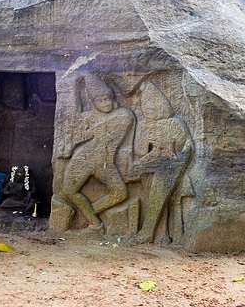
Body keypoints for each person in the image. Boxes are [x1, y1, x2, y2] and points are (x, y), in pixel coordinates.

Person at [58, 74, 134, 234]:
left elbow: (113, 126)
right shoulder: (88, 117)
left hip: (105, 162)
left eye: (107, 98)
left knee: (120, 193)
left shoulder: (123, 115)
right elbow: (75, 123)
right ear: (93, 103)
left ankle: (87, 214)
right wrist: (75, 90)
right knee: (68, 191)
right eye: (100, 100)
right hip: (84, 158)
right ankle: (95, 225)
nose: (105, 103)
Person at [129, 82, 192, 244]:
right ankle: (161, 234)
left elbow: (175, 149)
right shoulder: (147, 125)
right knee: (147, 185)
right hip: (156, 164)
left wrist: (159, 153)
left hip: (173, 164)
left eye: (152, 106)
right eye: (145, 106)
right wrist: (142, 160)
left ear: (162, 105)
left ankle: (148, 232)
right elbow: (143, 151)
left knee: (159, 186)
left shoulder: (174, 123)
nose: (148, 110)